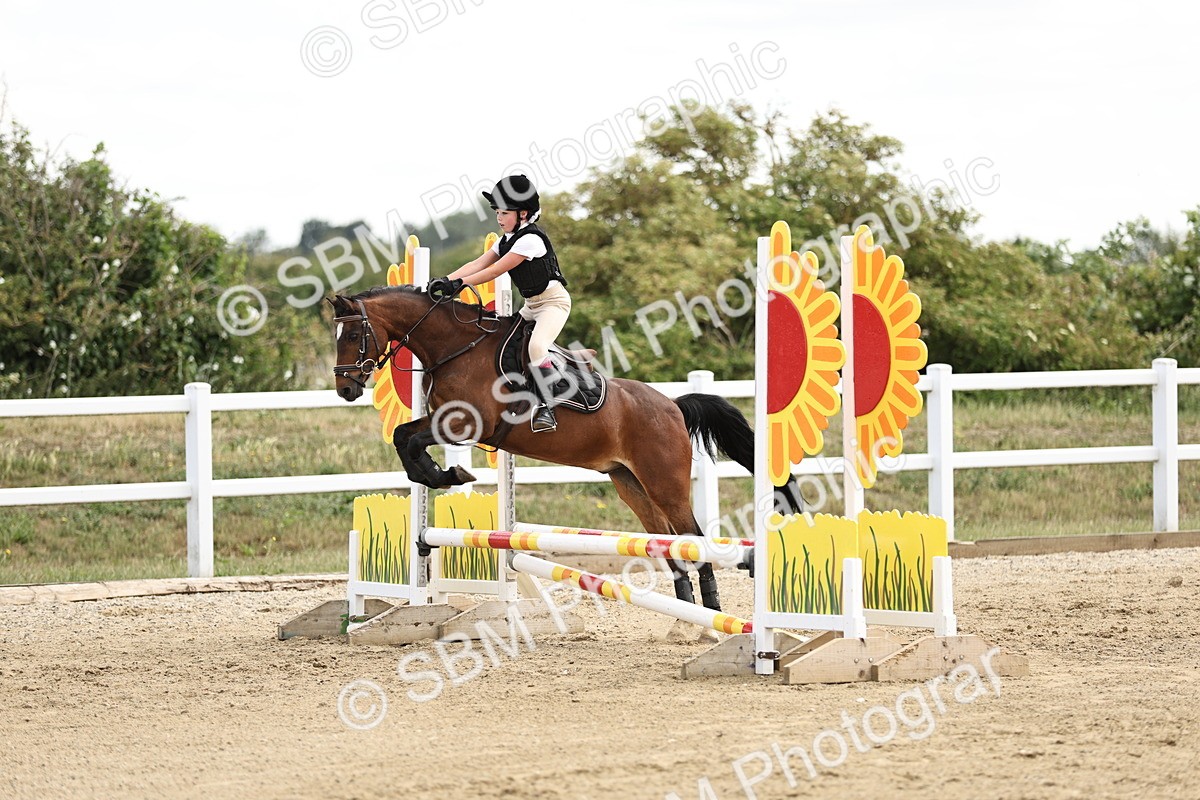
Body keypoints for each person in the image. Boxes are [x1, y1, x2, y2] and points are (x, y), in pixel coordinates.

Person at [428, 174, 570, 433]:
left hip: (553, 304)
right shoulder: (504, 240)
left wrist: (458, 286)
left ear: (523, 214)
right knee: (502, 341)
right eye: (497, 213)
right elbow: (477, 264)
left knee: (537, 346)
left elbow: (494, 271)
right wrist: (445, 280)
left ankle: (547, 408)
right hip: (531, 305)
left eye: (504, 213)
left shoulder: (531, 240)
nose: (499, 218)